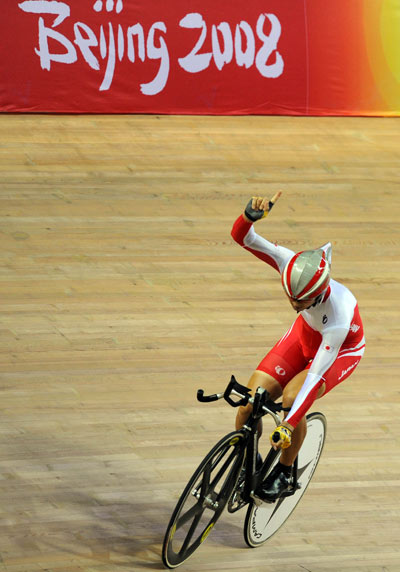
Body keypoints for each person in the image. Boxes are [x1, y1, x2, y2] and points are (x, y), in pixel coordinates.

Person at [231, 193, 365, 502]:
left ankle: (286, 474)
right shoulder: (289, 262)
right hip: (304, 336)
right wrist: (249, 216)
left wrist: (288, 425)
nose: (292, 302)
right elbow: (243, 238)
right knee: (250, 402)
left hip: (338, 352)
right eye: (289, 295)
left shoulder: (339, 315)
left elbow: (316, 374)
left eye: (300, 300)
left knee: (292, 399)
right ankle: (243, 463)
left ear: (318, 295)